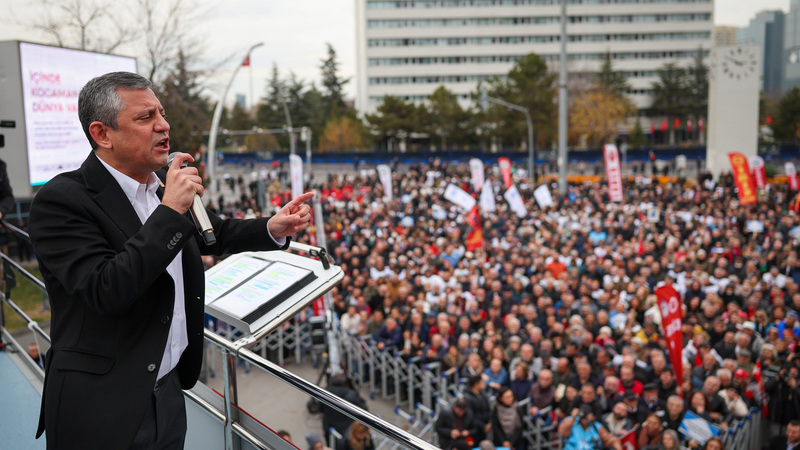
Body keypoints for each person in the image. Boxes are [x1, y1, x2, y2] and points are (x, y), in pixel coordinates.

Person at [28, 71, 314, 449]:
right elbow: (106, 288)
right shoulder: (61, 201)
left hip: (167, 392)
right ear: (102, 134)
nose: (164, 125)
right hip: (102, 403)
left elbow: (210, 232)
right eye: (146, 118)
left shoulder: (162, 184)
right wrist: (169, 210)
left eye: (161, 113)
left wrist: (272, 229)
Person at [323, 374, 368, 442]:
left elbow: (320, 408)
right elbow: (363, 410)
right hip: (345, 430)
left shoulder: (326, 392)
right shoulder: (351, 394)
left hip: (329, 428)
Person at [558, 404, 622, 450]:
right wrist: (573, 417)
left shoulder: (596, 426)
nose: (583, 418)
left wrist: (616, 444)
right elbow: (562, 432)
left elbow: (609, 439)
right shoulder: (572, 422)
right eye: (582, 415)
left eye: (586, 415)